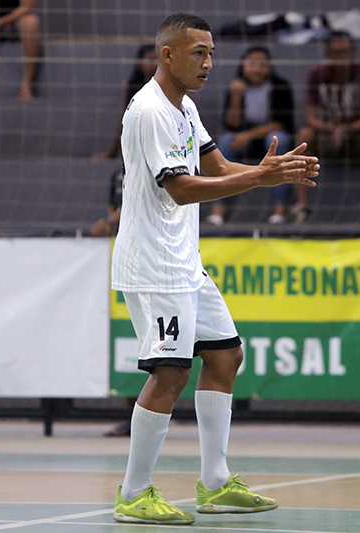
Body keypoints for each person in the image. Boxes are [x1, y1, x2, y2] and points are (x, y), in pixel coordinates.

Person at [110, 13, 318, 525]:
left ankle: (215, 483)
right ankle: (134, 493)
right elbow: (180, 187)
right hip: (154, 265)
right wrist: (257, 183)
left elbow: (218, 168)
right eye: (198, 52)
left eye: (211, 53)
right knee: (170, 372)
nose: (208, 63)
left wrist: (265, 173)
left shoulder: (186, 108)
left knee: (225, 356)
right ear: (168, 55)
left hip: (184, 262)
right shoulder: (149, 111)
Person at [296, 31, 360, 224]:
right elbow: (310, 117)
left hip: (356, 133)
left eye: (345, 53)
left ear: (354, 52)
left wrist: (346, 128)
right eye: (336, 53)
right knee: (304, 135)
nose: (341, 58)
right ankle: (302, 206)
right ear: (328, 54)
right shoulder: (317, 74)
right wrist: (328, 127)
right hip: (327, 134)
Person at [206, 46, 295, 225]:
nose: (257, 69)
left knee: (279, 140)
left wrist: (247, 135)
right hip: (246, 141)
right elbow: (231, 124)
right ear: (243, 66)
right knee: (226, 141)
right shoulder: (236, 86)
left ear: (269, 67)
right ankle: (218, 210)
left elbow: (283, 122)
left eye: (262, 64)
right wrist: (236, 97)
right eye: (252, 64)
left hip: (270, 138)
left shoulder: (280, 86)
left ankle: (279, 210)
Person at [93, 45, 158, 161]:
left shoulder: (173, 87)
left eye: (158, 59)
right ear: (140, 63)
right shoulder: (133, 87)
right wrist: (111, 153)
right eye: (151, 59)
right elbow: (125, 121)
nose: (155, 64)